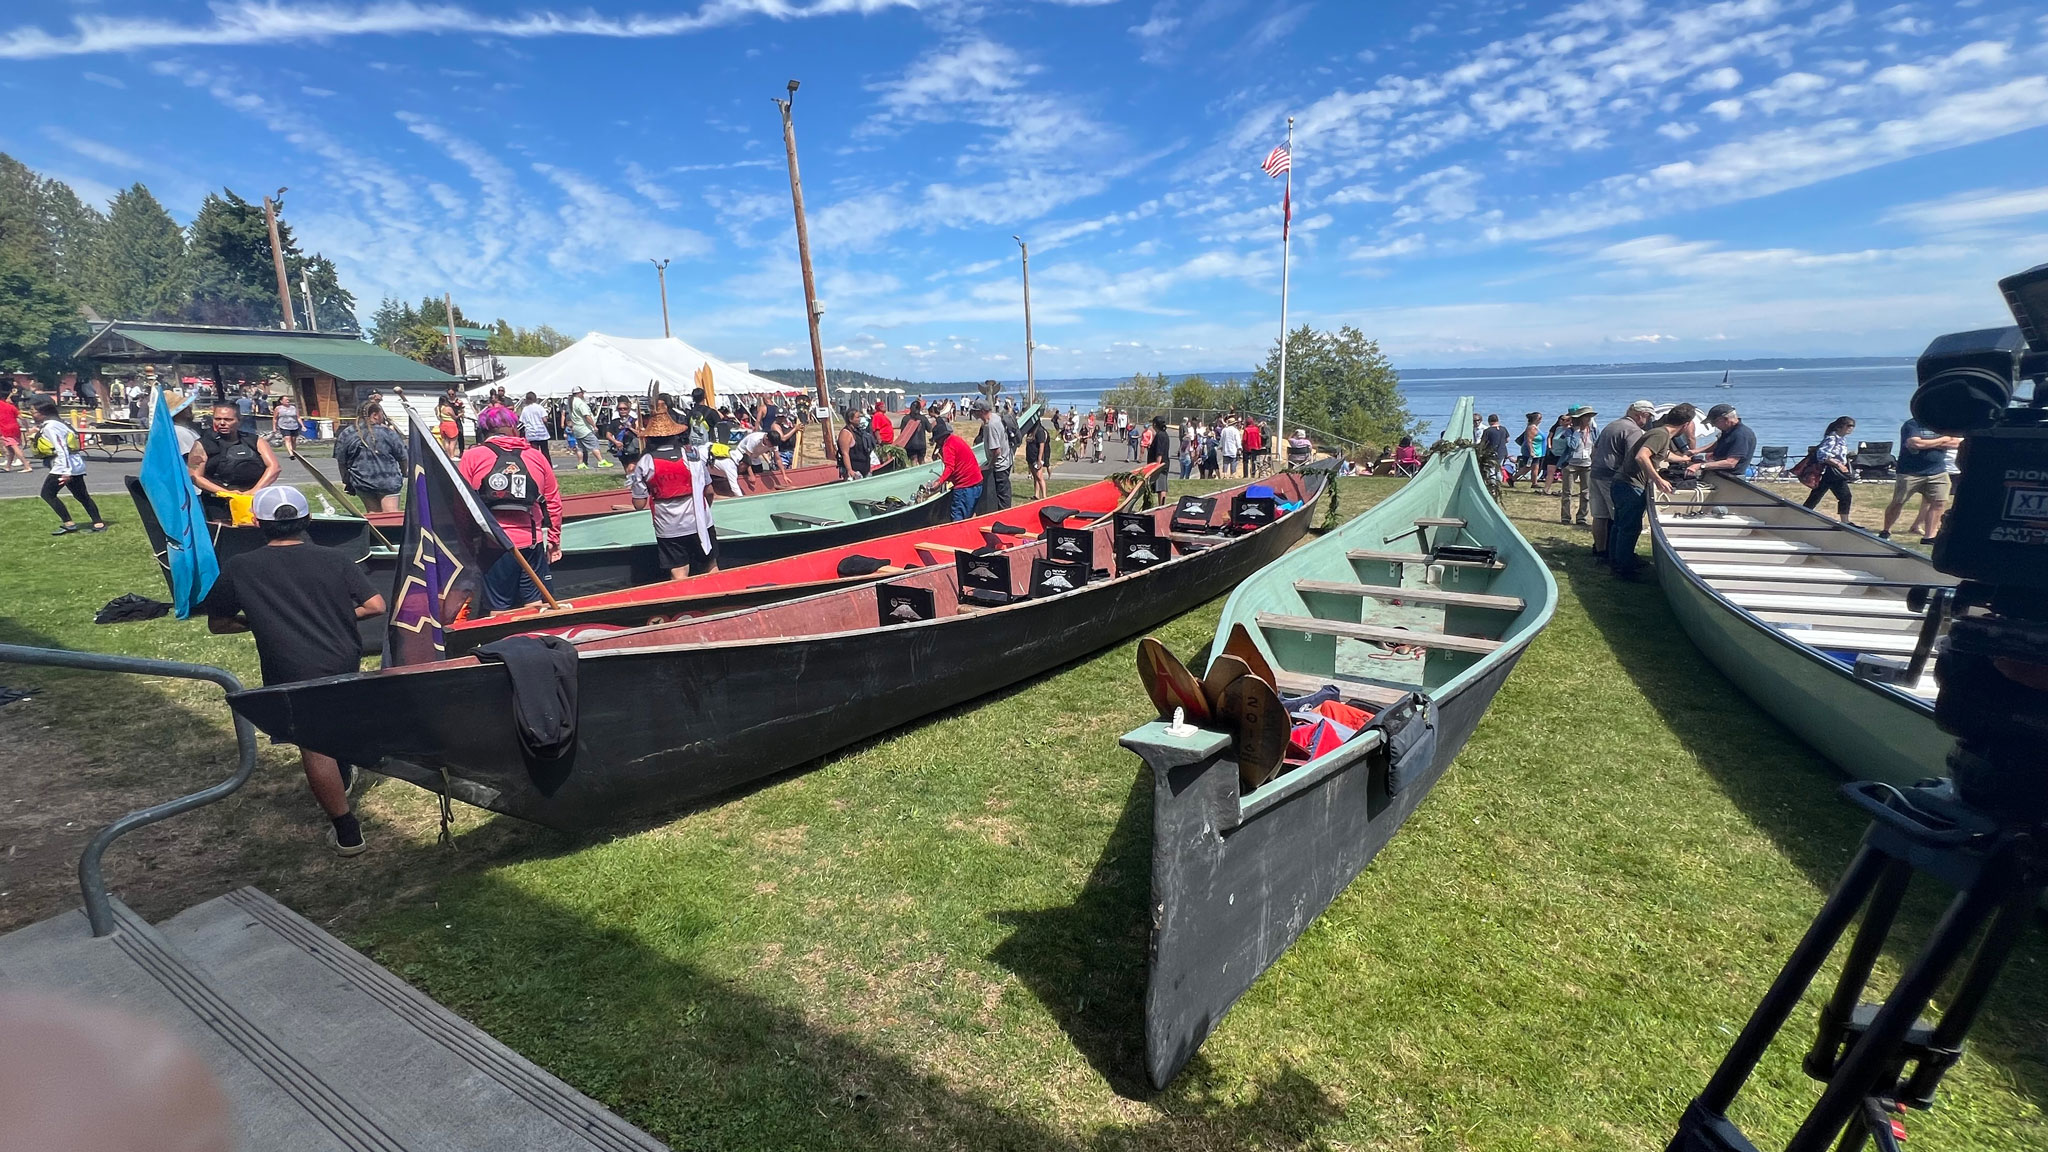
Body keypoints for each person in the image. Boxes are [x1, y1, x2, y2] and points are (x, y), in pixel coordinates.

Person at [204, 485, 384, 855]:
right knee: (338, 720)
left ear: (256, 522)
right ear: (307, 520)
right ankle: (344, 768)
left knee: (313, 744)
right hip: (341, 656)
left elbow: (218, 623)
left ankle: (347, 831)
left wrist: (261, 621)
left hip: (289, 663)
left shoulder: (241, 567)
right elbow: (375, 605)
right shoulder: (334, 559)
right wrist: (335, 615)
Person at [459, 405, 564, 610]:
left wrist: (466, 543)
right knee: (534, 605)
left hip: (494, 544)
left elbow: (462, 504)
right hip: (531, 543)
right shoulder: (535, 456)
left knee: (498, 609)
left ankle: (504, 639)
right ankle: (532, 640)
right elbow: (553, 502)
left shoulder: (473, 456)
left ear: (484, 430)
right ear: (514, 427)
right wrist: (554, 540)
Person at [628, 395, 718, 578]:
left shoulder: (645, 462)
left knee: (679, 572)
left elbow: (639, 504)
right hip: (699, 520)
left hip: (668, 526)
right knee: (710, 565)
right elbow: (709, 490)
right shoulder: (691, 453)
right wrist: (704, 509)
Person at [1612, 403, 1696, 578]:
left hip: (1622, 483)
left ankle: (1619, 559)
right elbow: (1642, 456)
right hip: (1630, 485)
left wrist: (1683, 459)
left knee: (1620, 525)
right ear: (1687, 424)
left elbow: (1663, 454)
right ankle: (1623, 568)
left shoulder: (1660, 434)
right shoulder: (1660, 434)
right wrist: (1658, 479)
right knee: (1629, 527)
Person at [188, 400, 281, 521]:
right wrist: (227, 494)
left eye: (228, 419)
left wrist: (253, 491)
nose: (222, 423)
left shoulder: (256, 441)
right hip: (219, 503)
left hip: (254, 499)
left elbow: (274, 467)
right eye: (217, 419)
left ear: (239, 421)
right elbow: (195, 476)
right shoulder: (201, 445)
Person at [1589, 400, 1655, 562]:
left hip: (1596, 472)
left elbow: (1594, 450)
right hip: (1612, 476)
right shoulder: (1633, 430)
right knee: (1619, 518)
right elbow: (1634, 457)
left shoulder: (1612, 425)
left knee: (1600, 515)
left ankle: (1600, 550)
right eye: (1649, 417)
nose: (1649, 421)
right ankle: (1619, 556)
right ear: (1642, 415)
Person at [30, 396, 107, 535]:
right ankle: (98, 523)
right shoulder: (61, 423)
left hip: (63, 466)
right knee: (82, 495)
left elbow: (61, 448)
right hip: (74, 464)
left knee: (47, 494)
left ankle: (69, 523)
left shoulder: (50, 427)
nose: (32, 414)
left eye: (34, 411)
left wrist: (65, 472)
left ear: (43, 412)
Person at [1881, 416, 1962, 543]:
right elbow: (1915, 443)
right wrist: (1943, 440)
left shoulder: (1944, 424)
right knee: (1898, 502)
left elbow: (1956, 443)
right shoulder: (1913, 424)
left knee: (1939, 502)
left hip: (1938, 471)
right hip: (1910, 472)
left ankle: (1929, 536)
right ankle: (1886, 530)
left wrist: (1928, 443)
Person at [334, 399, 406, 513]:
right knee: (392, 515)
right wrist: (404, 473)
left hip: (362, 482)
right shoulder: (388, 433)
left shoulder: (346, 434)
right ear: (375, 415)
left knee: (374, 516)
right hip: (388, 482)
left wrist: (347, 481)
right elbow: (403, 457)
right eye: (382, 414)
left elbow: (341, 462)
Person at [1803, 416, 1857, 522]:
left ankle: (1802, 514)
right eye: (1849, 425)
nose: (1851, 428)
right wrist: (1839, 464)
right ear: (1840, 426)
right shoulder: (1832, 438)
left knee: (1816, 495)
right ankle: (1845, 521)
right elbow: (1822, 455)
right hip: (1831, 471)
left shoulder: (1841, 439)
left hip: (1832, 473)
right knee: (1845, 496)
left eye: (1853, 426)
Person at [933, 416, 984, 520]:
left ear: (940, 438)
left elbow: (950, 467)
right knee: (970, 516)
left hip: (965, 486)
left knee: (958, 517)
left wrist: (939, 481)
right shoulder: (956, 440)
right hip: (977, 482)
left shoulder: (947, 446)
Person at [1689, 403, 1756, 480]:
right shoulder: (1729, 430)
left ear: (1724, 419)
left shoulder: (1741, 435)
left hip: (1732, 479)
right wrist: (1696, 451)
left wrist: (1701, 466)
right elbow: (1718, 444)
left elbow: (1730, 463)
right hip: (1720, 474)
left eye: (1713, 423)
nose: (1713, 426)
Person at [1555, 406, 1596, 525]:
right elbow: (1572, 446)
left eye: (1590, 417)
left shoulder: (1593, 431)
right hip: (1571, 464)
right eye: (1587, 417)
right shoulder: (1570, 431)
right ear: (1580, 418)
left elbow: (1596, 446)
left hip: (1587, 464)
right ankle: (1566, 517)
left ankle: (1581, 517)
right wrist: (1578, 432)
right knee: (1567, 492)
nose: (1589, 419)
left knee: (1586, 492)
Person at [973, 395, 1014, 510]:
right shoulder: (995, 418)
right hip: (1006, 460)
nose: (973, 413)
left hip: (1000, 465)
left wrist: (990, 465)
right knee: (1003, 494)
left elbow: (996, 451)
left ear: (981, 411)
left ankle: (1005, 517)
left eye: (975, 411)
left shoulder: (991, 425)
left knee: (1002, 497)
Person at [566, 387, 608, 470]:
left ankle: (581, 464)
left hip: (576, 428)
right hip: (584, 428)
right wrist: (594, 425)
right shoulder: (580, 403)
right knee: (594, 444)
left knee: (580, 447)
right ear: (580, 393)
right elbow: (586, 415)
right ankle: (601, 461)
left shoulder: (571, 402)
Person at [1478, 413, 1511, 502]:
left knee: (1491, 470)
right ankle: (1499, 485)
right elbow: (1507, 440)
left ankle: (1493, 487)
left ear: (1489, 421)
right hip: (1502, 452)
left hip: (1492, 452)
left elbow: (1483, 443)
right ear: (1497, 420)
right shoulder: (1503, 429)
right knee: (1498, 469)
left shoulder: (1488, 431)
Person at [837, 408, 879, 478]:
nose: (860, 419)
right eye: (857, 417)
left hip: (865, 469)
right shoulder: (845, 433)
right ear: (850, 419)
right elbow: (845, 453)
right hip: (855, 471)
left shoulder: (858, 431)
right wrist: (849, 470)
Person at [1025, 413, 1053, 501]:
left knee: (1040, 477)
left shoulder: (1040, 431)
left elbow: (1042, 446)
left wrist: (1039, 459)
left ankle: (1044, 496)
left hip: (1037, 458)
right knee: (1035, 477)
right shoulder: (1030, 431)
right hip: (1030, 457)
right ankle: (1036, 495)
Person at [1511, 411, 1542, 489]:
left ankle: (1534, 483)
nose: (1541, 420)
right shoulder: (1531, 428)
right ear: (1536, 419)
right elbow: (1529, 440)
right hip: (1531, 451)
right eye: (1540, 418)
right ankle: (1513, 478)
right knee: (1528, 467)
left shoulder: (1535, 427)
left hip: (1537, 450)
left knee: (1534, 467)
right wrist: (1531, 451)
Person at [1144, 414, 1170, 499]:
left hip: (1161, 465)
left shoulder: (1160, 435)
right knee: (1159, 487)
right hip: (1162, 463)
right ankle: (1160, 505)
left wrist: (1157, 465)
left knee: (1161, 487)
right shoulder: (1163, 434)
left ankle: (1161, 506)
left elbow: (1160, 451)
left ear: (1154, 424)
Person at [518, 390, 551, 456]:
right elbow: (544, 420)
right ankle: (547, 465)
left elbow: (522, 421)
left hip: (531, 433)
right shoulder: (539, 407)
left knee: (535, 453)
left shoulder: (525, 409)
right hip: (541, 433)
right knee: (545, 452)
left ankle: (536, 465)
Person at [899, 399, 930, 465]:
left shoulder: (905, 419)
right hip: (921, 444)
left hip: (910, 444)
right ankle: (924, 473)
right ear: (919, 408)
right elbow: (929, 429)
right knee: (922, 460)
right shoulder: (923, 418)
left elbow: (902, 433)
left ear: (910, 408)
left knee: (913, 460)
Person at [0, 388, 23, 472]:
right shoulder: (11, 407)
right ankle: (8, 466)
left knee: (14, 447)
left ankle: (26, 464)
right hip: (15, 428)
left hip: (5, 429)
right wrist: (27, 427)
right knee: (11, 448)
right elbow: (21, 417)